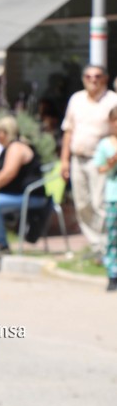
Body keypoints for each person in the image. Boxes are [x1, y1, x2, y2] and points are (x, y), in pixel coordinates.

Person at [61, 64, 117, 254]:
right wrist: (64, 160)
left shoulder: (112, 100)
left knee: (100, 203)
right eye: (88, 76)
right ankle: (96, 246)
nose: (93, 80)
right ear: (83, 79)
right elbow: (68, 131)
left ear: (105, 78)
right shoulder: (76, 99)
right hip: (78, 158)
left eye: (97, 76)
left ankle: (106, 246)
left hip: (100, 159)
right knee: (82, 204)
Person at [0, 116, 47, 254]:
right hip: (18, 195)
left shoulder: (16, 147)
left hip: (31, 196)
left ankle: (2, 244)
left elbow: (8, 174)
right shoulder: (8, 148)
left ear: (8, 132)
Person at [93, 106, 117, 291]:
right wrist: (111, 163)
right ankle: (112, 273)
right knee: (112, 237)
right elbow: (99, 168)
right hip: (113, 196)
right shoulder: (106, 144)